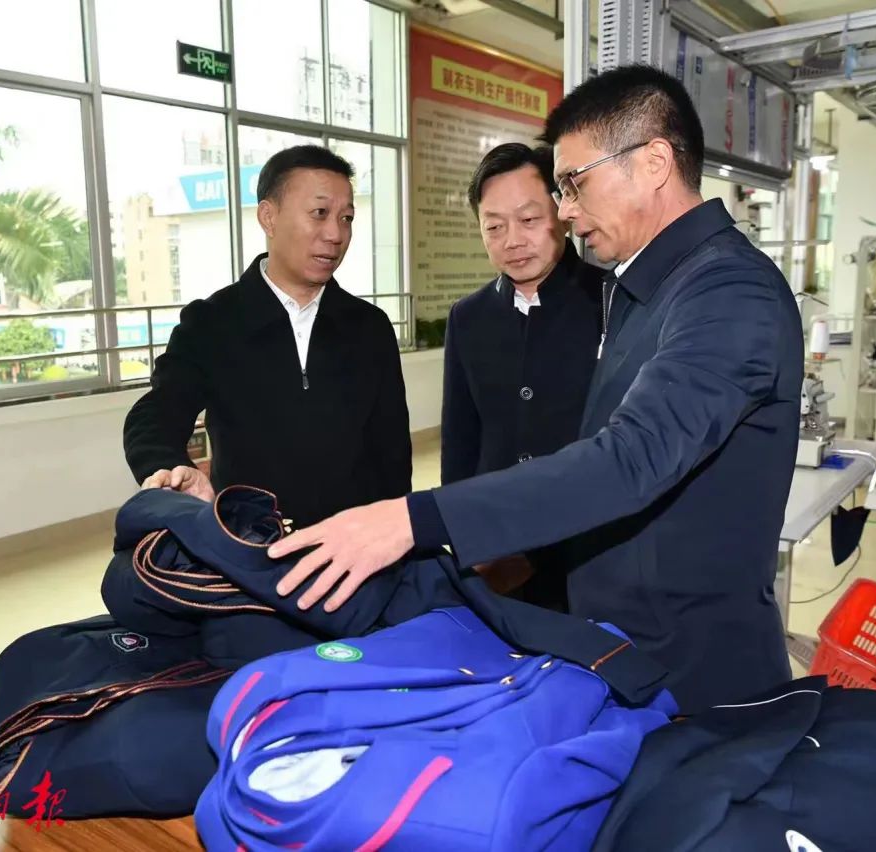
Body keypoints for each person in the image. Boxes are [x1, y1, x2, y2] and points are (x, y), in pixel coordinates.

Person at [268, 66, 804, 713]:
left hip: (696, 674)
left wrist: (415, 519)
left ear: (654, 162)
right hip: (619, 648)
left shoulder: (728, 290)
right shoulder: (645, 289)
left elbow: (631, 458)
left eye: (575, 183)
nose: (566, 211)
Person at [124, 145, 412, 530]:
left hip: (352, 545)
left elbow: (392, 452)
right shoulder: (212, 323)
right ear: (268, 217)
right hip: (251, 542)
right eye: (319, 213)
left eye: (346, 218)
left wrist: (397, 531)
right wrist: (169, 465)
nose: (335, 234)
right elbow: (157, 413)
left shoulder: (369, 327)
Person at [442, 143, 602, 604]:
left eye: (529, 219)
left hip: (587, 548)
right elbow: (461, 440)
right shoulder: (468, 317)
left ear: (563, 211)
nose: (512, 240)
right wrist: (464, 537)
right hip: (496, 548)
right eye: (494, 226)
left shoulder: (611, 302)